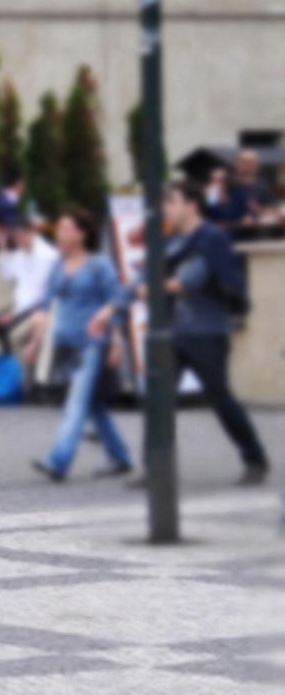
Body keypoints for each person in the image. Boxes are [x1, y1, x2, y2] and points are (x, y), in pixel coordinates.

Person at [93, 179, 269, 484]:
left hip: (207, 333)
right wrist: (112, 308)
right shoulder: (171, 243)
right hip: (173, 333)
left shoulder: (211, 237)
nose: (166, 209)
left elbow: (192, 279)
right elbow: (143, 277)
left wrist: (160, 288)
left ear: (192, 204)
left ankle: (255, 458)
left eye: (171, 201)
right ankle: (155, 468)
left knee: (220, 398)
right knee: (158, 399)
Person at [27, 209, 133, 481]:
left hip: (93, 344)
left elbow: (117, 301)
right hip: (66, 345)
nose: (60, 234)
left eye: (65, 228)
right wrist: (35, 342)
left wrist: (118, 342)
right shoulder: (58, 266)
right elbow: (45, 306)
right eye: (59, 229)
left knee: (75, 405)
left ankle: (59, 460)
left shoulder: (99, 264)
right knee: (94, 406)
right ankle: (120, 456)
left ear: (81, 233)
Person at [0, 219, 59, 381]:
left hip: (37, 310)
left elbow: (45, 296)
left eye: (20, 236)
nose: (17, 240)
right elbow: (7, 276)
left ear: (31, 232)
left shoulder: (49, 256)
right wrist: (2, 248)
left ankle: (12, 384)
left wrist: (14, 315)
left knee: (7, 331)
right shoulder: (19, 255)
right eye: (15, 237)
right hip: (18, 308)